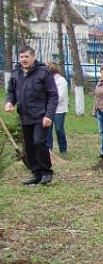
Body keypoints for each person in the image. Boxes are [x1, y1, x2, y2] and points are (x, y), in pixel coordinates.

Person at [4, 46, 58, 185]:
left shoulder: (43, 72)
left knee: (39, 142)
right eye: (21, 57)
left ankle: (46, 172)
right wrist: (10, 102)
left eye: (26, 57)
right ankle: (36, 173)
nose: (24, 60)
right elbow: (12, 91)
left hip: (41, 116)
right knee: (29, 146)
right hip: (25, 115)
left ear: (33, 57)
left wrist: (49, 115)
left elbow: (53, 95)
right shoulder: (16, 73)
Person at [45, 62, 68, 155]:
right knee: (48, 129)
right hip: (49, 109)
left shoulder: (62, 81)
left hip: (59, 109)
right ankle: (49, 149)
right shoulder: (47, 80)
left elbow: (60, 96)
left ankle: (63, 149)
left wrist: (50, 102)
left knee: (59, 129)